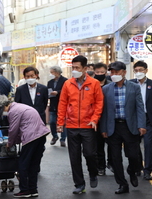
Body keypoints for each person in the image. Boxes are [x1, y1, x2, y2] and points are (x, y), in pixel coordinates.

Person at [57, 55, 104, 194]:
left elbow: (99, 103)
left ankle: (93, 173)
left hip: (88, 125)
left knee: (90, 154)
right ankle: (79, 184)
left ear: (85, 68)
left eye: (77, 68)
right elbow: (62, 104)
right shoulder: (67, 84)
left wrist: (95, 119)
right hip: (71, 126)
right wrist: (60, 123)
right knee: (74, 156)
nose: (75, 70)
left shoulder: (94, 83)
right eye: (73, 68)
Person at [0, 95, 49, 198]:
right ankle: (33, 189)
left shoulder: (13, 111)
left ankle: (25, 190)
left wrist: (10, 143)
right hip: (41, 135)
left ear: (2, 107)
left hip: (31, 137)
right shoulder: (20, 106)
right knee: (34, 164)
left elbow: (13, 130)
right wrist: (14, 141)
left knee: (22, 163)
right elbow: (19, 129)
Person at [100, 61, 146, 194]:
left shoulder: (134, 87)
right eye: (112, 72)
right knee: (115, 158)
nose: (114, 74)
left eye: (117, 72)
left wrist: (141, 124)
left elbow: (139, 107)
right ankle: (122, 184)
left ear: (124, 73)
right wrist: (103, 128)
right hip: (113, 127)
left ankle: (132, 170)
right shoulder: (106, 89)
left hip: (129, 126)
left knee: (133, 155)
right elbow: (104, 111)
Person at [130, 61, 152, 181]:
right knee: (135, 144)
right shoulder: (130, 84)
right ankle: (138, 166)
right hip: (135, 118)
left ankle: (148, 170)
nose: (139, 72)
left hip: (149, 118)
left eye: (141, 70)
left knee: (148, 145)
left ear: (146, 70)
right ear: (134, 71)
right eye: (136, 70)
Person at [93, 62, 113, 176]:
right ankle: (101, 167)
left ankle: (111, 163)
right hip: (96, 119)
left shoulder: (110, 84)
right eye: (97, 72)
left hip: (109, 118)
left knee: (112, 144)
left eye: (102, 72)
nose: (100, 74)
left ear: (106, 72)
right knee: (98, 145)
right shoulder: (91, 85)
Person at [47, 66, 67, 147]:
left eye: (52, 72)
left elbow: (67, 91)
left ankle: (63, 139)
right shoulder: (50, 82)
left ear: (57, 72)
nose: (51, 74)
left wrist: (58, 92)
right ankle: (55, 136)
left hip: (62, 104)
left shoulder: (65, 81)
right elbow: (48, 90)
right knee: (52, 122)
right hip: (53, 104)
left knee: (63, 123)